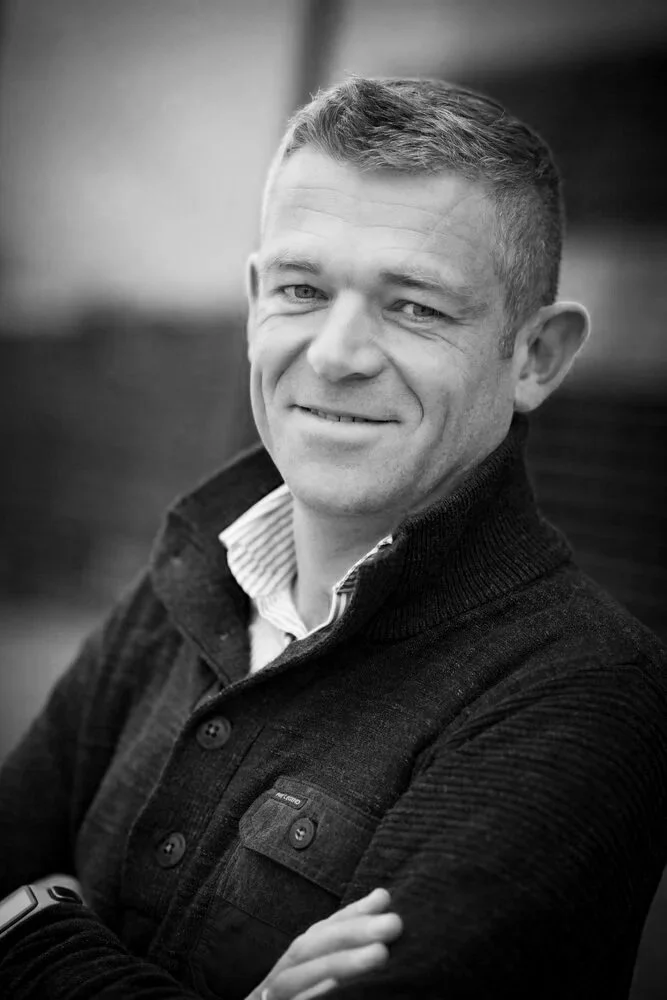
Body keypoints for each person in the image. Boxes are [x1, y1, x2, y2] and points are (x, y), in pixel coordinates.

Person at [0, 75, 666, 1000]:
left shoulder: (584, 697)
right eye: (301, 289)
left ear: (535, 357)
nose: (335, 353)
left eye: (415, 306)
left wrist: (30, 929)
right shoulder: (190, 578)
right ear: (253, 303)